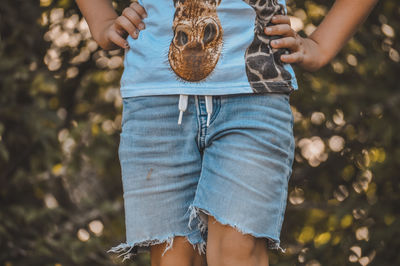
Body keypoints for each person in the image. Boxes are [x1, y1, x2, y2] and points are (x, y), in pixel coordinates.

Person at [75, 0, 378, 265]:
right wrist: (101, 21)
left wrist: (321, 45)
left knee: (238, 252)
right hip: (154, 99)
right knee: (175, 259)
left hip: (255, 95)